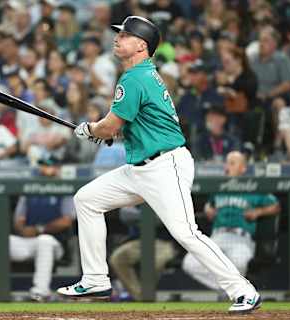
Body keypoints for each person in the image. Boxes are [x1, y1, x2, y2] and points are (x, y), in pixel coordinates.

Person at [57, 16, 262, 313]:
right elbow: (125, 126)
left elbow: (109, 126)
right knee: (86, 199)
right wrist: (109, 131)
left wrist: (90, 129)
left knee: (186, 233)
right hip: (140, 168)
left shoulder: (135, 77)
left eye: (125, 36)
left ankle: (244, 291)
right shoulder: (142, 75)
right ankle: (95, 278)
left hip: (166, 166)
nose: (117, 39)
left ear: (141, 45)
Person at [182, 151, 280, 297]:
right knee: (190, 263)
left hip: (240, 239)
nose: (227, 167)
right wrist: (208, 208)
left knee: (239, 263)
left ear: (243, 168)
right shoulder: (219, 186)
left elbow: (276, 206)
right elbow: (209, 206)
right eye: (227, 163)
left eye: (232, 163)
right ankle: (232, 290)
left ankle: (231, 290)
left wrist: (258, 212)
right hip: (218, 237)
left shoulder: (253, 186)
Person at [0, 193, 76, 301]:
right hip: (28, 240)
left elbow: (66, 221)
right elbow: (18, 220)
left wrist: (39, 229)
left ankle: (40, 293)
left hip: (55, 243)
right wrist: (23, 229)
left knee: (44, 240)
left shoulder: (64, 191)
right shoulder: (27, 191)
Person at [109, 206, 178, 301]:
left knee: (155, 261)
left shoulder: (165, 197)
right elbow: (125, 214)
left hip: (163, 242)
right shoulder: (137, 197)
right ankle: (140, 297)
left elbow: (167, 218)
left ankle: (146, 296)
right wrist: (149, 217)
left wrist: (141, 217)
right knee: (117, 258)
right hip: (137, 242)